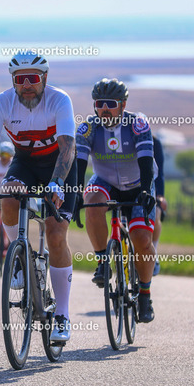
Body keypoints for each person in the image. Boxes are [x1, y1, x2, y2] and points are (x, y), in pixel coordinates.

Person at [0, 51, 77, 343]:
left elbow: (68, 148)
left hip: (60, 166)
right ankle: (20, 256)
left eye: (33, 78)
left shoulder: (59, 100)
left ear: (44, 78)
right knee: (8, 196)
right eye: (20, 79)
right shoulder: (1, 102)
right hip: (26, 163)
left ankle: (62, 315)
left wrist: (57, 183)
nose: (27, 85)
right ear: (13, 81)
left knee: (56, 234)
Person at [74, 78, 157, 323]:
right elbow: (79, 164)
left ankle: (145, 294)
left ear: (122, 105)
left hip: (138, 183)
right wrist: (76, 194)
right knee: (92, 201)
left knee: (142, 239)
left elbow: (146, 161)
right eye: (99, 104)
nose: (104, 109)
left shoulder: (137, 124)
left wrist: (146, 191)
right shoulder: (88, 128)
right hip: (106, 181)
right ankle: (102, 261)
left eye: (110, 104)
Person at [152, 135, 168, 275]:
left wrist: (160, 195)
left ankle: (154, 251)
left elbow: (159, 172)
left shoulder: (154, 142)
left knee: (156, 213)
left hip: (150, 188)